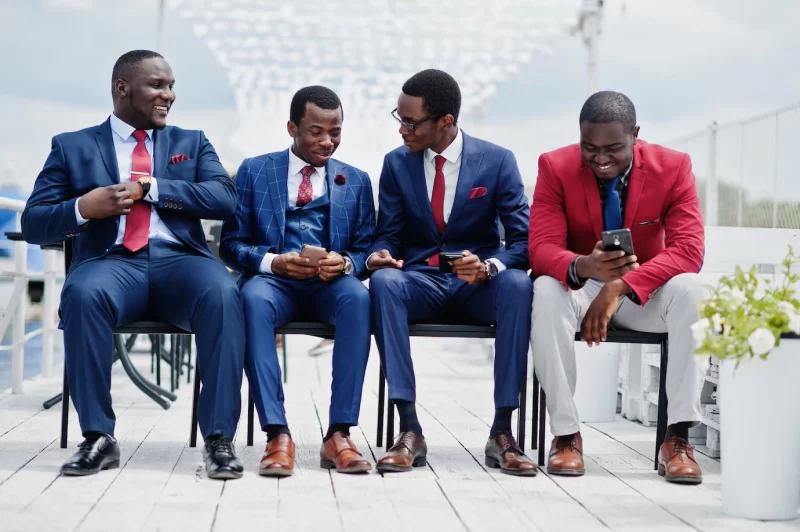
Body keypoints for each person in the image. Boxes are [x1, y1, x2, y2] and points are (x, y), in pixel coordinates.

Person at [21, 50, 245, 479]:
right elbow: (33, 222)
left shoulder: (191, 142)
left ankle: (218, 438)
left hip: (179, 261)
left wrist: (155, 187)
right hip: (112, 262)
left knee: (223, 292)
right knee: (83, 293)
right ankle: (98, 438)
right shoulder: (72, 146)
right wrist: (83, 207)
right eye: (158, 86)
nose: (169, 95)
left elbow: (225, 200)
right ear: (123, 87)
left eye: (172, 86)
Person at [529, 91, 706, 484]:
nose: (601, 158)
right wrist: (584, 266)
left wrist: (620, 287)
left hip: (643, 291)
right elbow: (540, 248)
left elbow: (690, 250)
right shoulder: (555, 167)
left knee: (693, 290)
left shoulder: (673, 167)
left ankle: (676, 439)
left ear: (636, 135)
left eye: (613, 148)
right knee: (543, 289)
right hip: (581, 287)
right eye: (589, 148)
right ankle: (566, 434)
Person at [369, 69, 536, 476]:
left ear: (445, 121)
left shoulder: (497, 162)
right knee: (384, 282)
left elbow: (524, 242)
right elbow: (385, 235)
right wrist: (380, 256)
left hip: (478, 286)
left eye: (411, 122)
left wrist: (489, 267)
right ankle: (409, 429)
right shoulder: (396, 164)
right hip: (420, 282)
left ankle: (503, 432)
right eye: (399, 118)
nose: (402, 130)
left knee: (517, 284)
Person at [220, 86, 376, 477]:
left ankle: (339, 434)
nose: (327, 141)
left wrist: (344, 263)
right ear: (292, 128)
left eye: (335, 132)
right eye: (316, 132)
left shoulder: (356, 180)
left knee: (359, 299)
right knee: (251, 299)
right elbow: (231, 245)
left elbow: (366, 250)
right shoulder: (254, 171)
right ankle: (277, 434)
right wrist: (274, 263)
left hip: (331, 285)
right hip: (274, 283)